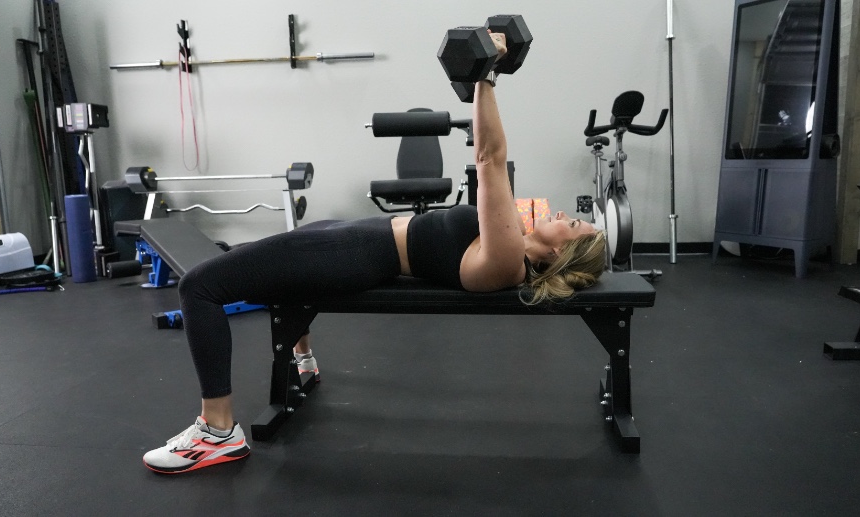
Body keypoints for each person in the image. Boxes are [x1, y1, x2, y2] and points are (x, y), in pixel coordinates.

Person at [142, 32, 607, 474]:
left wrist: (487, 74)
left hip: (359, 252)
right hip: (358, 235)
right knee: (261, 263)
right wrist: (480, 76)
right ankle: (301, 358)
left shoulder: (508, 260)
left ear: (558, 256)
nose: (566, 213)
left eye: (573, 225)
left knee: (199, 286)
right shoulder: (517, 241)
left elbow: (489, 157)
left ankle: (218, 430)